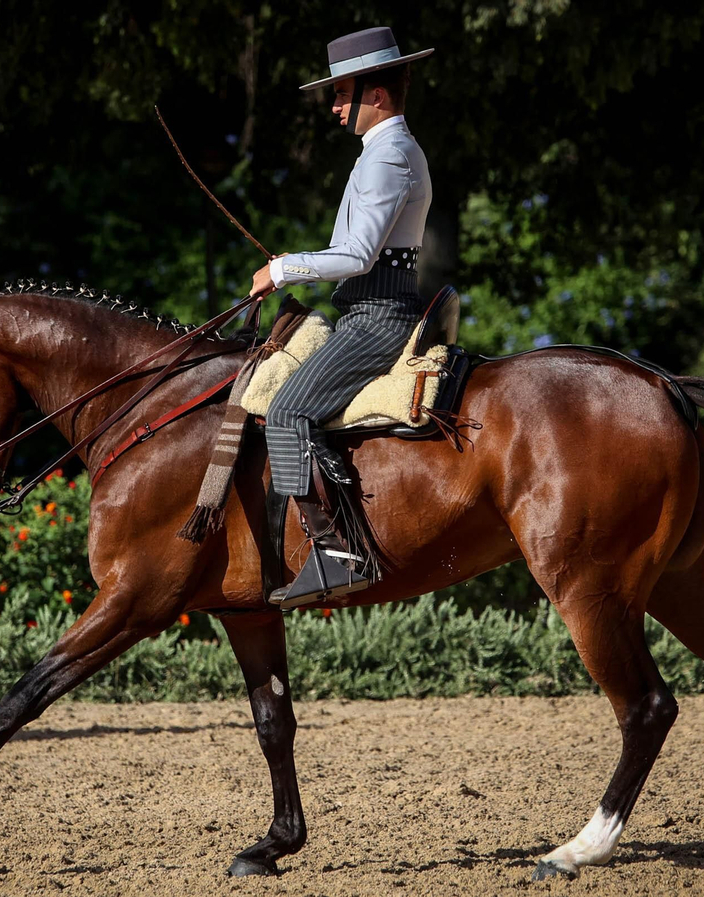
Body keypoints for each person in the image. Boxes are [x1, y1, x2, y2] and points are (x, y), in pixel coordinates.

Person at [249, 26, 434, 608]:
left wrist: (282, 271)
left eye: (341, 92)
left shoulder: (388, 156)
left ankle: (338, 551)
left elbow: (357, 255)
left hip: (379, 317)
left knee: (286, 410)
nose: (333, 105)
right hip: (362, 308)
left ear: (375, 95)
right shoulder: (380, 153)